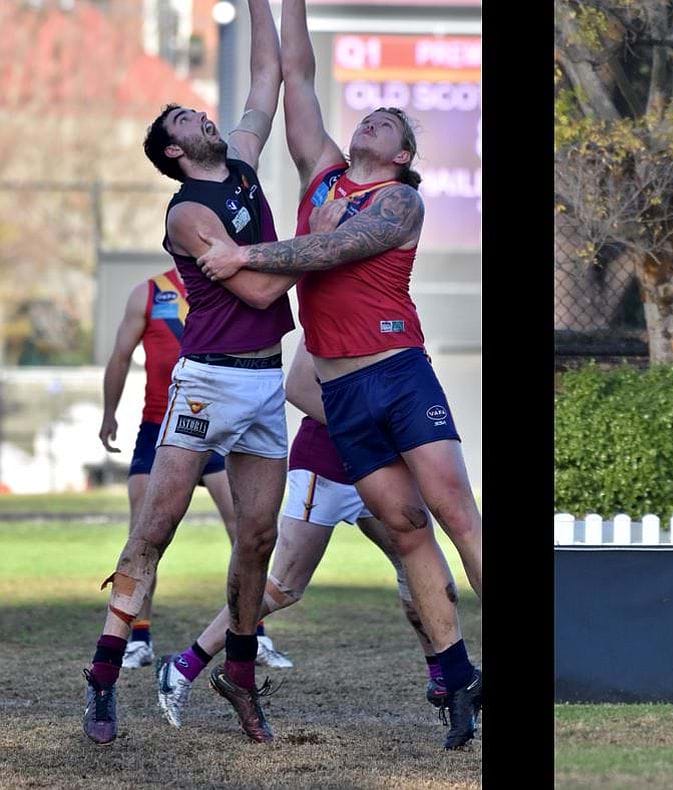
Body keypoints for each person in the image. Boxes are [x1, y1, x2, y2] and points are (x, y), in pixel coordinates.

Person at [194, 0, 483, 749]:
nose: (373, 119)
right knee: (407, 529)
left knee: (457, 516)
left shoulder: (399, 200)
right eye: (370, 115)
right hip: (342, 392)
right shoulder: (323, 176)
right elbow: (298, 75)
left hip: (400, 374)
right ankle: (458, 677)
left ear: (403, 154)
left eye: (389, 122)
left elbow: (334, 249)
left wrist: (246, 254)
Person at [81, 0, 298, 745]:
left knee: (258, 539)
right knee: (154, 531)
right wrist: (324, 247)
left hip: (264, 382)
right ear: (175, 150)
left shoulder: (239, 163)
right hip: (208, 384)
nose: (202, 115)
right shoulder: (187, 214)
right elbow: (260, 290)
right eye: (185, 118)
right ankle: (103, 676)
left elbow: (267, 75)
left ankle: (238, 675)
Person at [156, 339, 479, 734]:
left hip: (381, 469)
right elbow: (297, 388)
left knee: (415, 563)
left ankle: (443, 676)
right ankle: (184, 665)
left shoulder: (398, 321)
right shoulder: (332, 318)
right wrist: (364, 429)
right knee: (283, 587)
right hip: (325, 470)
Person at [99, 267, 292, 671]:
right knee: (143, 532)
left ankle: (253, 634)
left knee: (247, 531)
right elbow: (120, 356)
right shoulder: (149, 292)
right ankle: (138, 638)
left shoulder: (231, 285)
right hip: (161, 428)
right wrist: (109, 413)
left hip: (221, 425)